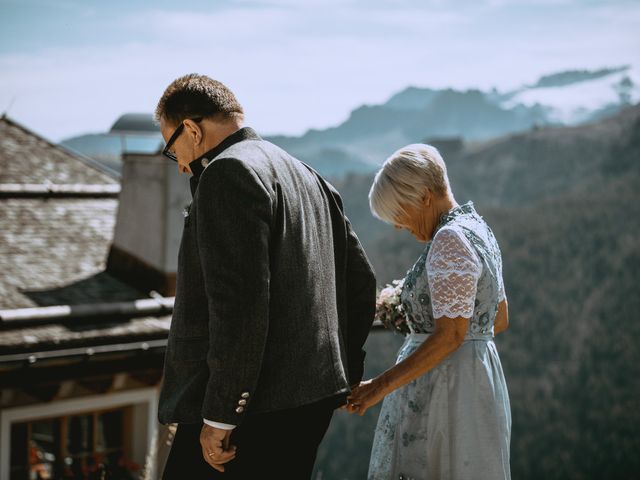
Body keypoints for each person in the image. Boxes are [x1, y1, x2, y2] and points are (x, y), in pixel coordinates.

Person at [155, 74, 376, 479]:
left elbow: (239, 308)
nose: (182, 164)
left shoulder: (226, 174)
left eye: (172, 150)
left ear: (191, 129)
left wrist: (222, 415)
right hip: (313, 399)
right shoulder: (308, 174)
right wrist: (345, 368)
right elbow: (361, 284)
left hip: (251, 411)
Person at [346, 144, 511, 479]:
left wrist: (379, 386)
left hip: (447, 389)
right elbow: (500, 318)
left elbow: (451, 334)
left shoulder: (449, 240)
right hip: (477, 380)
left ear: (424, 196)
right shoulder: (479, 229)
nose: (397, 225)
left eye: (400, 211)